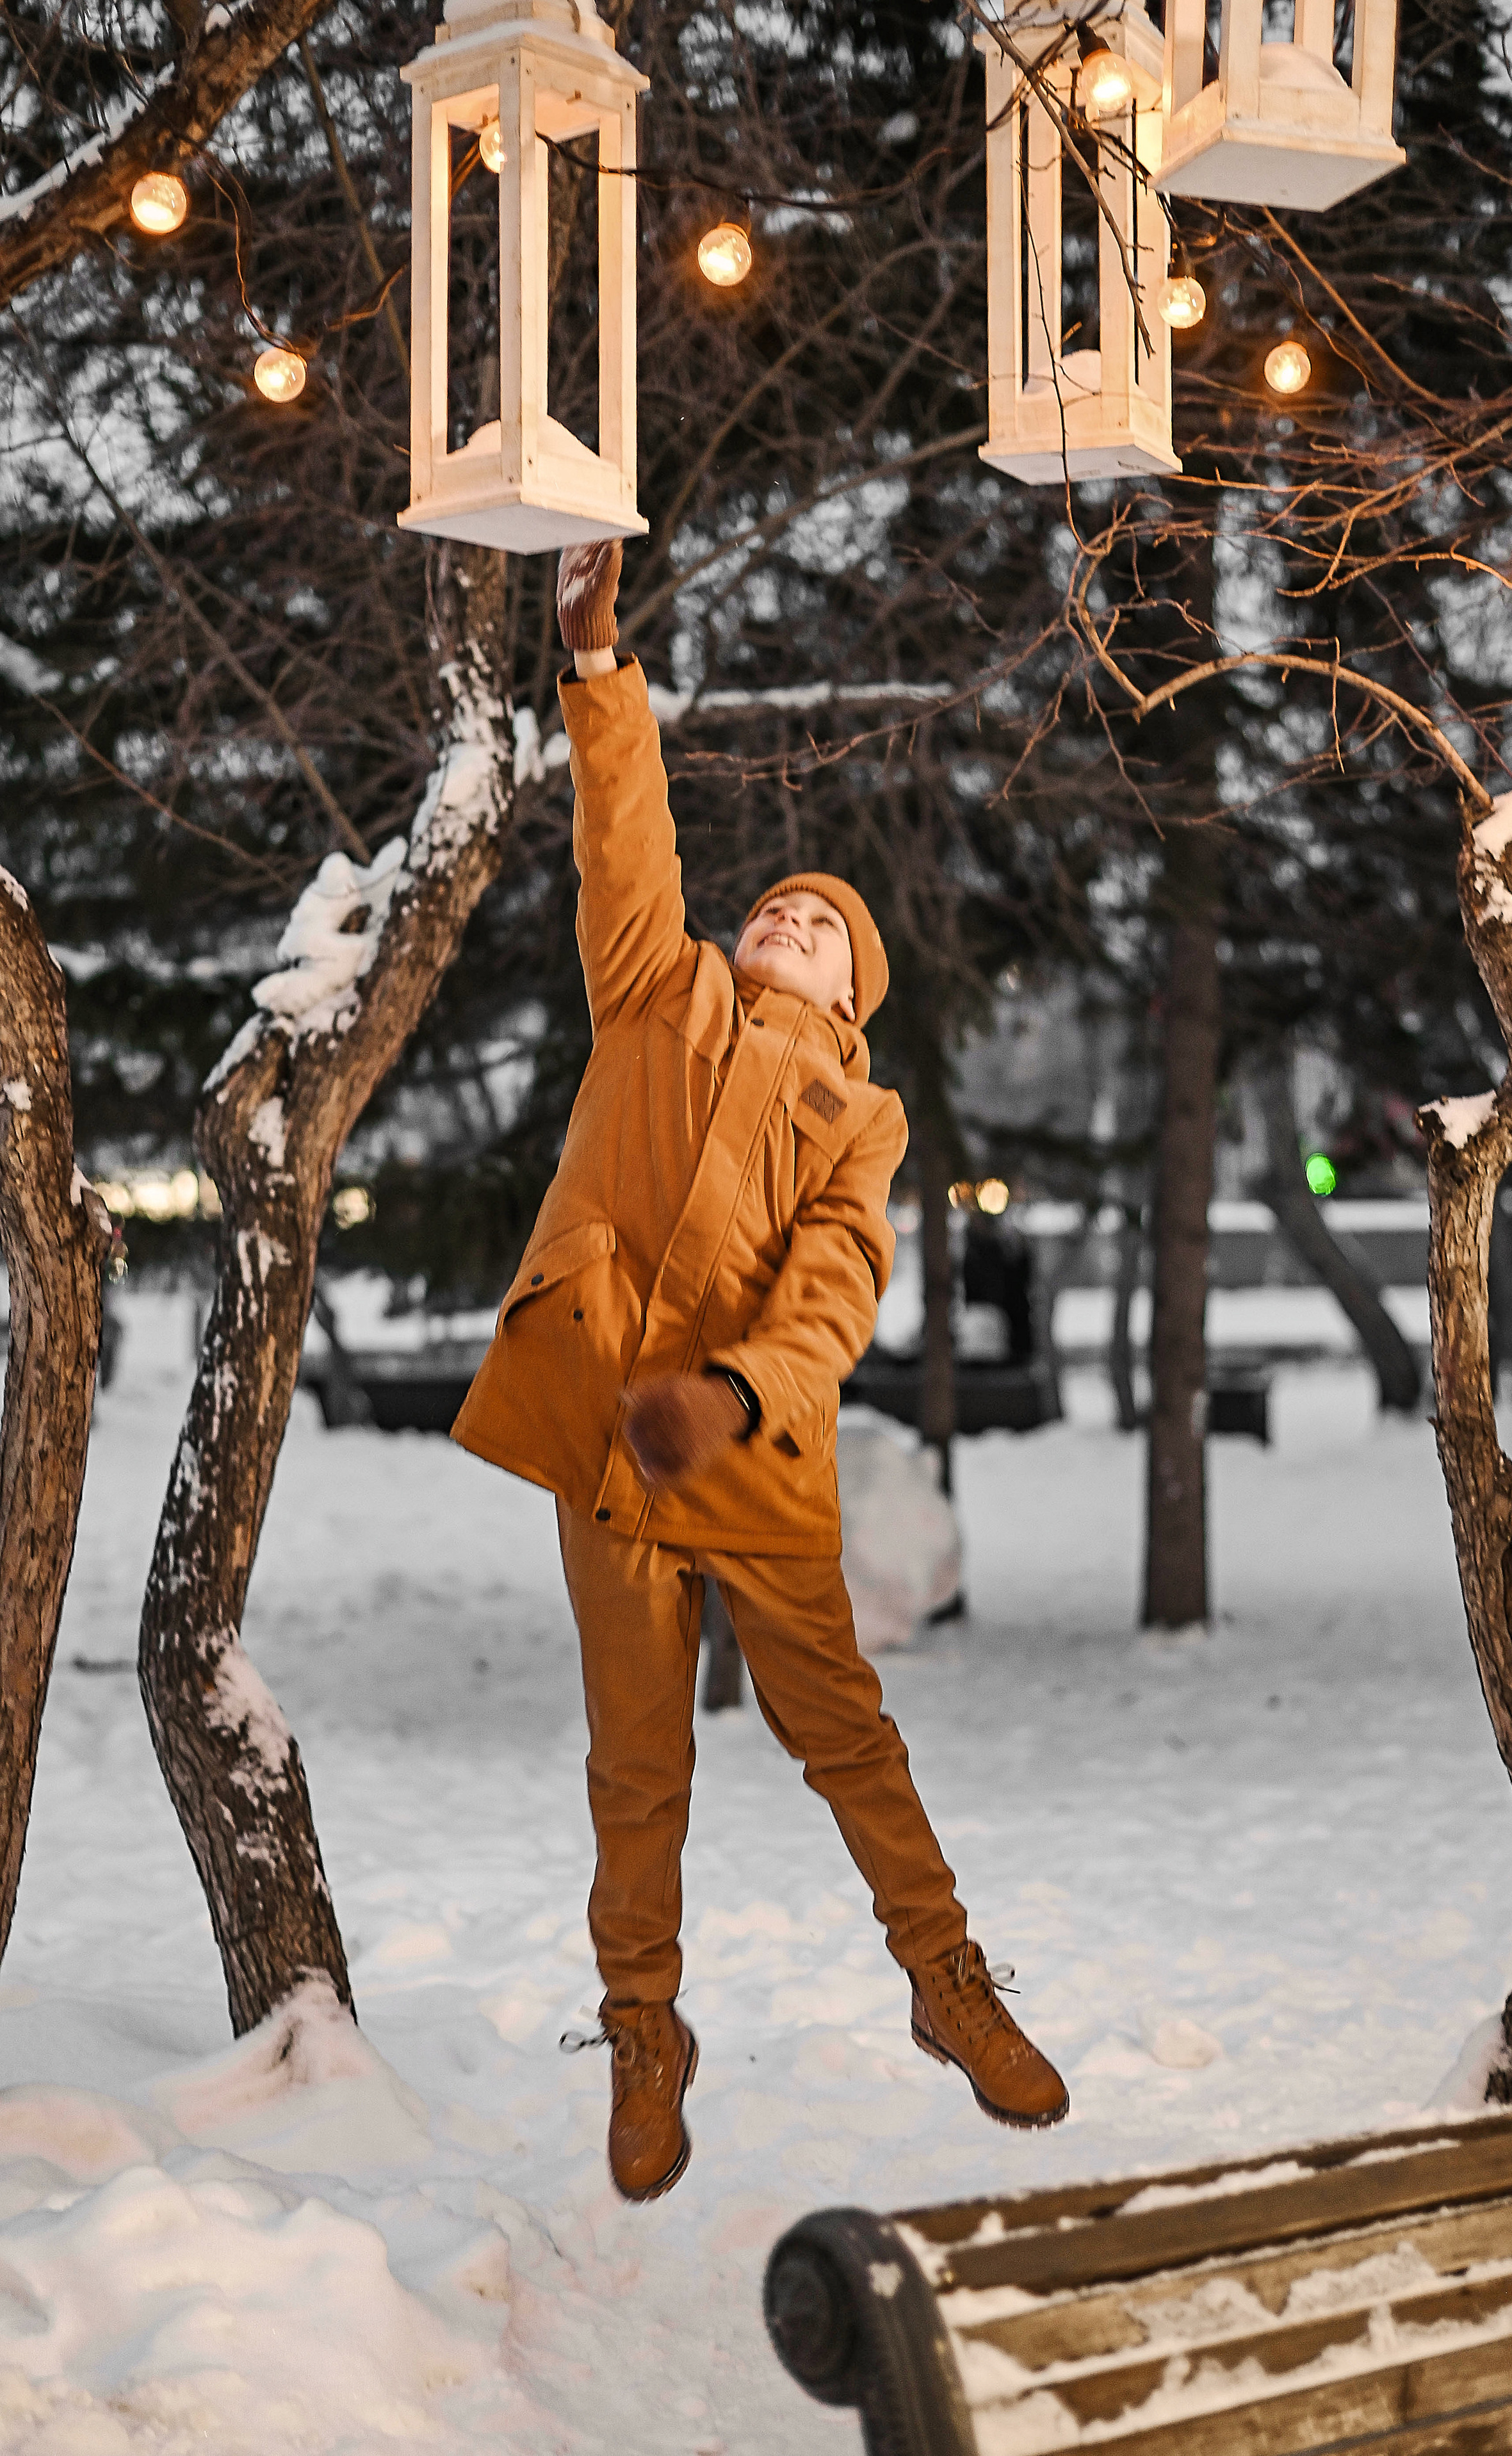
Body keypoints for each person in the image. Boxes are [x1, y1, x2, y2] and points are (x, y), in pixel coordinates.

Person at [452, 541, 1068, 2202]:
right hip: (609, 1447)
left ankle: (948, 1983)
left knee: (847, 1739)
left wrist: (732, 1397)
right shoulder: (656, 995)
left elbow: (838, 1284)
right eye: (778, 905)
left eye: (821, 924)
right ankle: (644, 2032)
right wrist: (597, 664)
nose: (787, 917)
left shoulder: (856, 1114)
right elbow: (626, 835)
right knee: (637, 1764)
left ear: (852, 992)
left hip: (752, 1457)